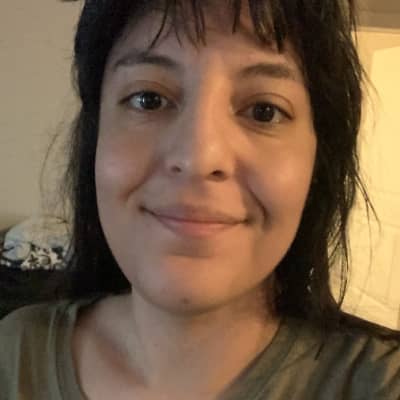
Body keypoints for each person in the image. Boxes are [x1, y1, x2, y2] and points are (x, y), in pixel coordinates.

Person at [1, 0, 399, 399]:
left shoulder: (380, 382)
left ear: (318, 159)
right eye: (148, 99)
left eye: (264, 111)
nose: (198, 158)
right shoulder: (14, 352)